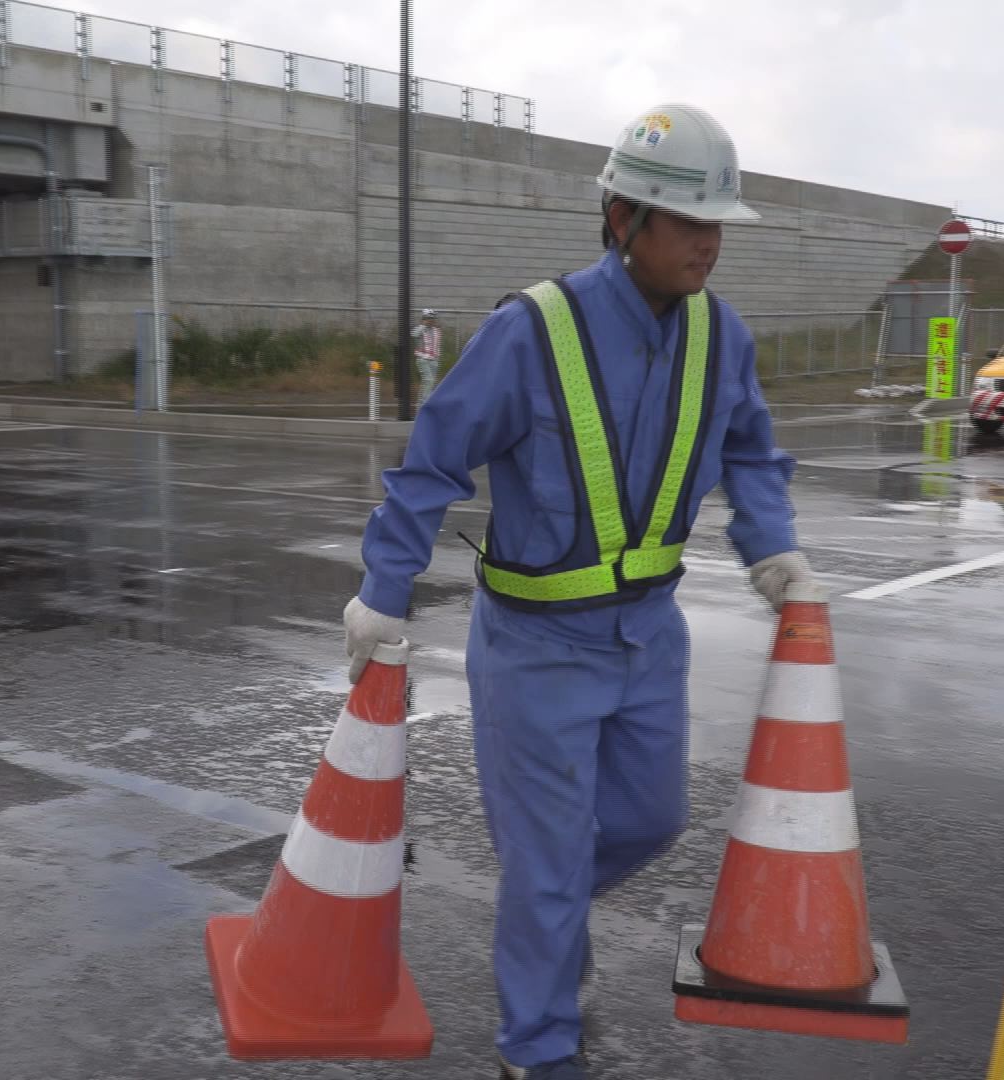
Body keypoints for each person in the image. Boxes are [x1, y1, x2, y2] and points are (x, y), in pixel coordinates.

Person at [342, 103, 810, 1080]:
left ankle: (544, 930)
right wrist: (385, 589)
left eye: (717, 224)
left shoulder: (721, 339)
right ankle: (539, 1050)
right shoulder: (532, 332)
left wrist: (774, 550)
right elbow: (434, 459)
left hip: (647, 637)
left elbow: (754, 454)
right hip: (535, 651)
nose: (709, 244)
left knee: (650, 823)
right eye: (690, 223)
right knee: (549, 870)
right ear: (623, 218)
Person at [413, 309, 445, 399]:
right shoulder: (420, 328)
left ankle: (420, 407)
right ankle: (425, 403)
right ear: (424, 318)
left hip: (434, 360)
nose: (431, 320)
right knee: (429, 380)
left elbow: (437, 345)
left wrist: (437, 358)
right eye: (429, 318)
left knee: (429, 383)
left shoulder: (436, 330)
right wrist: (423, 324)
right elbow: (414, 335)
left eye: (433, 318)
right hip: (423, 359)